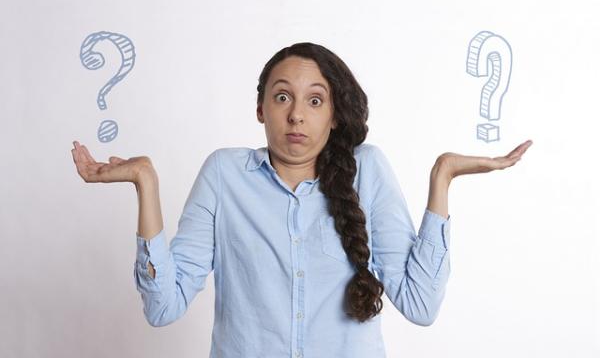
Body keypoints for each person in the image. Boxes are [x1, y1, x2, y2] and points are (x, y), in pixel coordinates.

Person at [71, 42, 533, 357]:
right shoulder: (224, 174)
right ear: (260, 109)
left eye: (315, 101)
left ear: (334, 115)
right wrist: (145, 184)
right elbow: (162, 306)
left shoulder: (367, 169)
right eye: (282, 97)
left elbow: (420, 304)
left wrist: (442, 178)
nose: (296, 115)